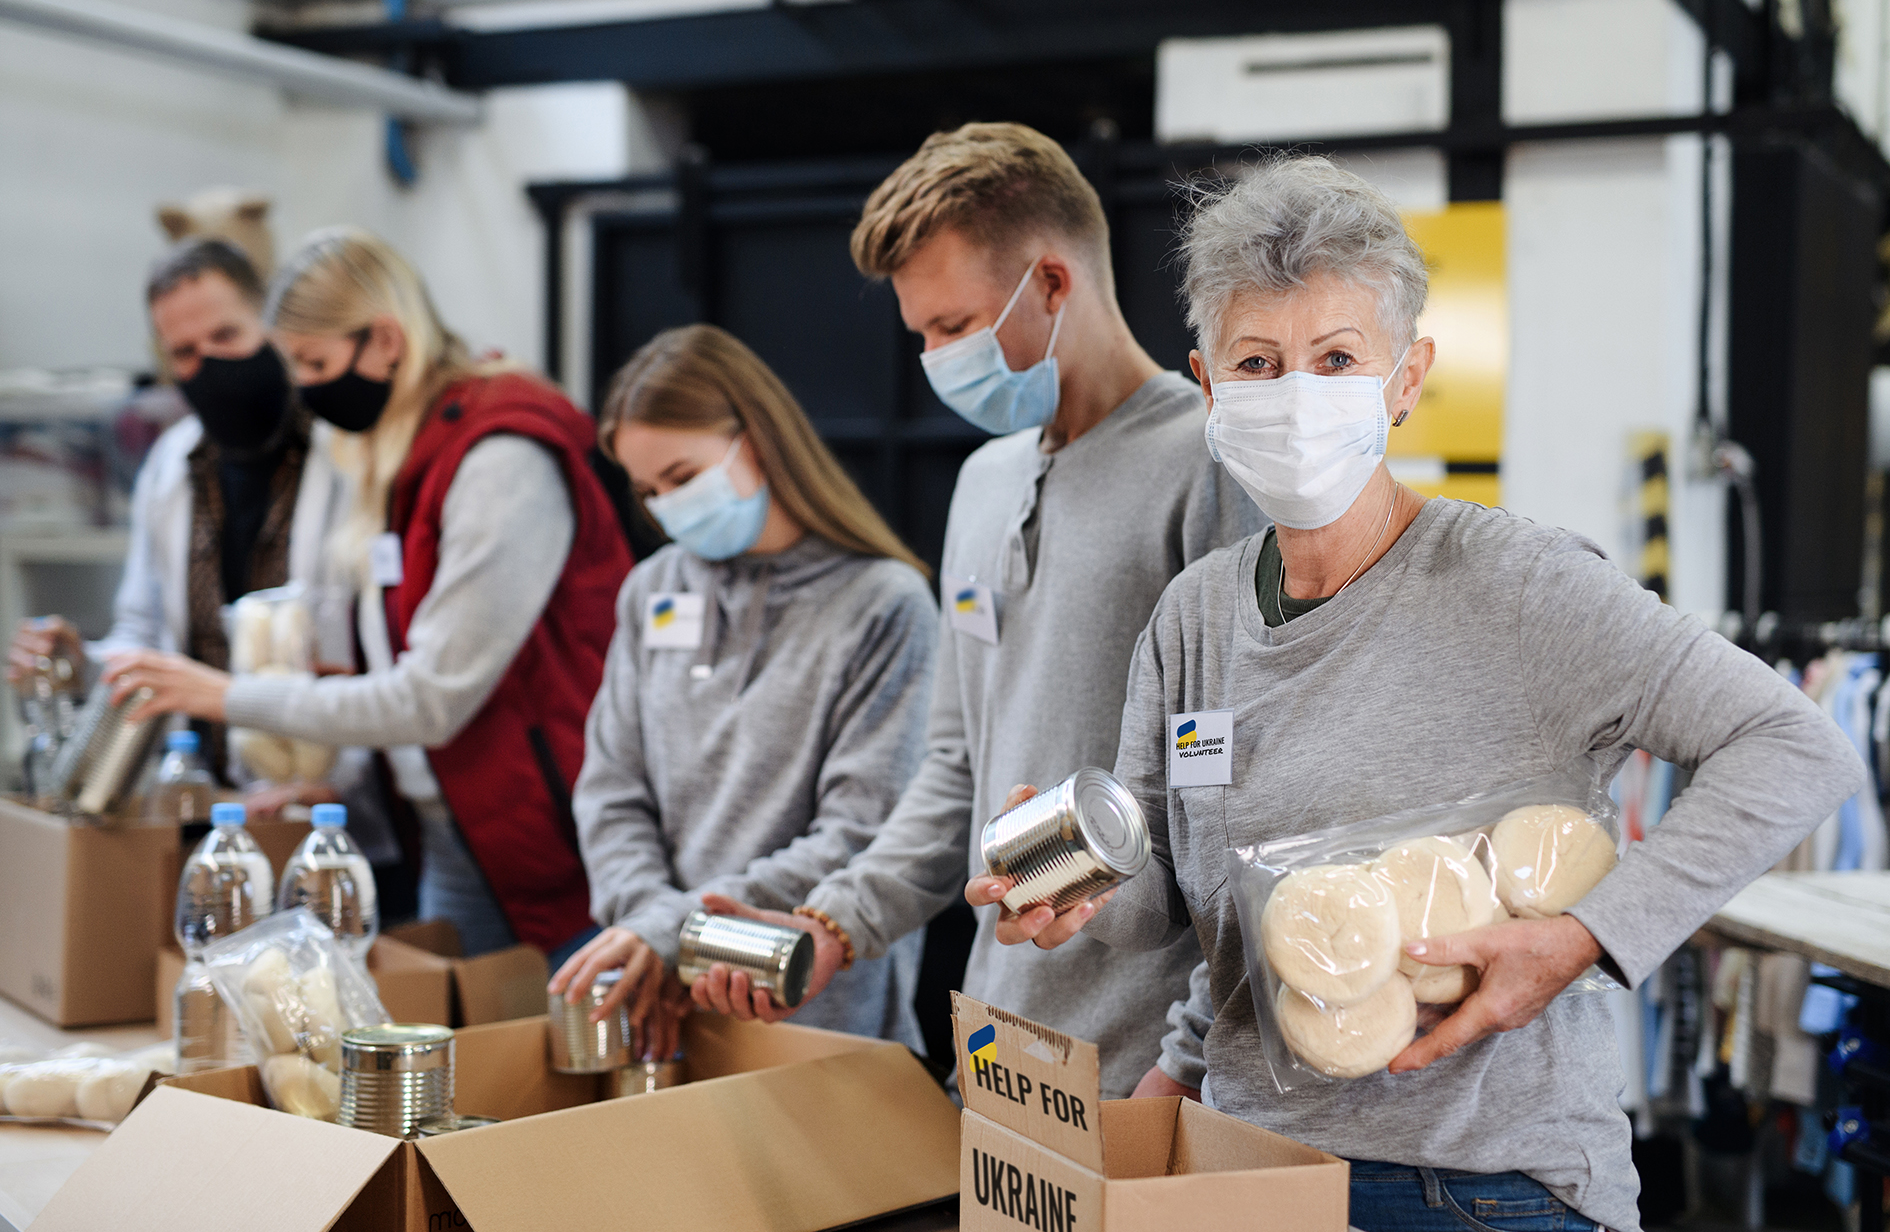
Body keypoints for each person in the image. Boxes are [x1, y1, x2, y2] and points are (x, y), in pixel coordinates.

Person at [977, 156, 1864, 1230]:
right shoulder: (1195, 616)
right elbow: (1173, 909)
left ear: (1407, 378)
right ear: (1209, 386)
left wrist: (1585, 936)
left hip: (1483, 1188)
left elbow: (1795, 748)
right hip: (1257, 1167)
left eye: (1337, 357)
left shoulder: (1524, 586)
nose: (1295, 395)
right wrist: (1081, 889)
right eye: (1258, 363)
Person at [689, 122, 1263, 1099]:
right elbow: (956, 764)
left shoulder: (1208, 465)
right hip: (1000, 1037)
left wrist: (1192, 1058)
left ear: (1050, 282)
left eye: (953, 328)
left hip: (1151, 1061)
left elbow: (1242, 794)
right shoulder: (984, 484)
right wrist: (837, 922)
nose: (935, 359)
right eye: (920, 335)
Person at [105, 227, 630, 968]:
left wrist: (229, 695)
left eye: (315, 365)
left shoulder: (497, 458)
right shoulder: (408, 454)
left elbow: (432, 696)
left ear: (386, 341)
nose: (310, 394)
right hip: (454, 823)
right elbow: (391, 666)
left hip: (551, 832)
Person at [549, 324, 938, 1058]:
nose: (668, 505)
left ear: (756, 439)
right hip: (661, 997)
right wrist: (651, 934)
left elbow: (862, 831)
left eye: (683, 475)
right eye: (649, 490)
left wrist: (671, 931)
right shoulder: (653, 589)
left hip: (813, 1016)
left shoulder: (884, 603)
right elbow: (611, 791)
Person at [5, 239, 385, 820]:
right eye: (184, 352)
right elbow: (145, 632)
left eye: (226, 337)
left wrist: (346, 785)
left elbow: (384, 655)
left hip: (338, 807)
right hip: (211, 801)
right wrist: (80, 661)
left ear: (273, 325)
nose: (208, 365)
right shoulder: (170, 466)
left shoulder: (348, 455)